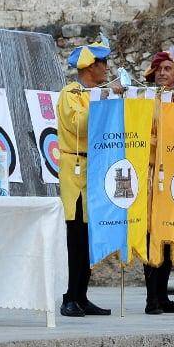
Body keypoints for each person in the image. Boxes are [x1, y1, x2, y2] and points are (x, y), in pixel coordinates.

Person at [57, 36, 117, 318]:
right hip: (76, 171)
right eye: (102, 62)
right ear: (89, 66)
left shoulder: (96, 93)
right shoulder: (71, 93)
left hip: (96, 169)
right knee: (76, 238)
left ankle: (82, 295)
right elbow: (80, 124)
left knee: (90, 238)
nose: (106, 68)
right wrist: (105, 97)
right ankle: (70, 296)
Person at [141, 50, 174, 315]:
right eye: (159, 69)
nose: (162, 73)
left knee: (171, 233)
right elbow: (140, 134)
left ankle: (163, 294)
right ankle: (151, 298)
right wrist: (162, 145)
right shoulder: (146, 100)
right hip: (153, 173)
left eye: (168, 69)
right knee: (153, 235)